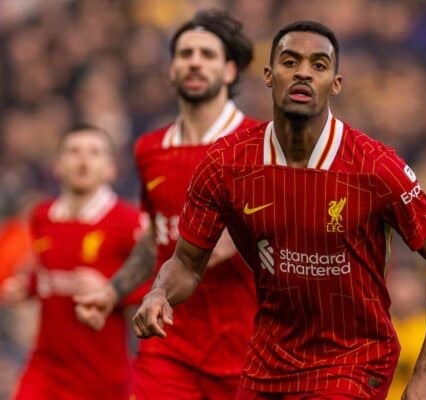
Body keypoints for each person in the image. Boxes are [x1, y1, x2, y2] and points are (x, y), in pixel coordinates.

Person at [133, 20, 426, 400]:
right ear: (268, 74)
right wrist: (159, 293)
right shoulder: (226, 164)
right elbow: (187, 263)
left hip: (352, 362)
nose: (303, 73)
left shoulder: (374, 167)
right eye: (290, 62)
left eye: (319, 65)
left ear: (336, 83)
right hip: (268, 362)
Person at [75, 10, 259, 400]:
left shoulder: (258, 144)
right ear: (171, 70)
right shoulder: (149, 149)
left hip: (247, 349)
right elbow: (154, 238)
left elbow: (244, 243)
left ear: (229, 71)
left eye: (207, 55)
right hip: (168, 345)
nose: (194, 61)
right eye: (185, 53)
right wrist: (113, 291)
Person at [0, 125, 145, 400]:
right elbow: (49, 274)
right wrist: (26, 287)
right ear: (57, 165)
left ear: (111, 168)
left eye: (94, 153)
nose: (83, 160)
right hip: (47, 367)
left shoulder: (128, 222)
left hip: (103, 375)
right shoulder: (43, 217)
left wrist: (111, 289)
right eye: (73, 151)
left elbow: (160, 285)